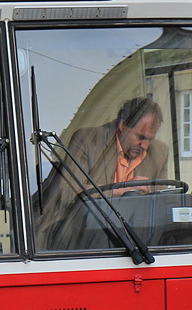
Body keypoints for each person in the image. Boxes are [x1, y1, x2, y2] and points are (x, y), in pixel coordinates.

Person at [35, 96, 169, 248]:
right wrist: (122, 189)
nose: (145, 145)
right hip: (78, 237)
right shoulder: (88, 140)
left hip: (135, 243)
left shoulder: (160, 152)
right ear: (123, 126)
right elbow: (68, 192)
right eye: (140, 137)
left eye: (150, 139)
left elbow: (163, 204)